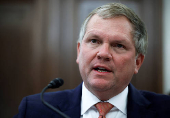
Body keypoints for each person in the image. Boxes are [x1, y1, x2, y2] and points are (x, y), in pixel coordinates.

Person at [14, 3, 170, 118]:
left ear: (137, 62)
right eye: (94, 41)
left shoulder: (165, 109)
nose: (103, 54)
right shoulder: (36, 109)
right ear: (79, 51)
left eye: (118, 45)